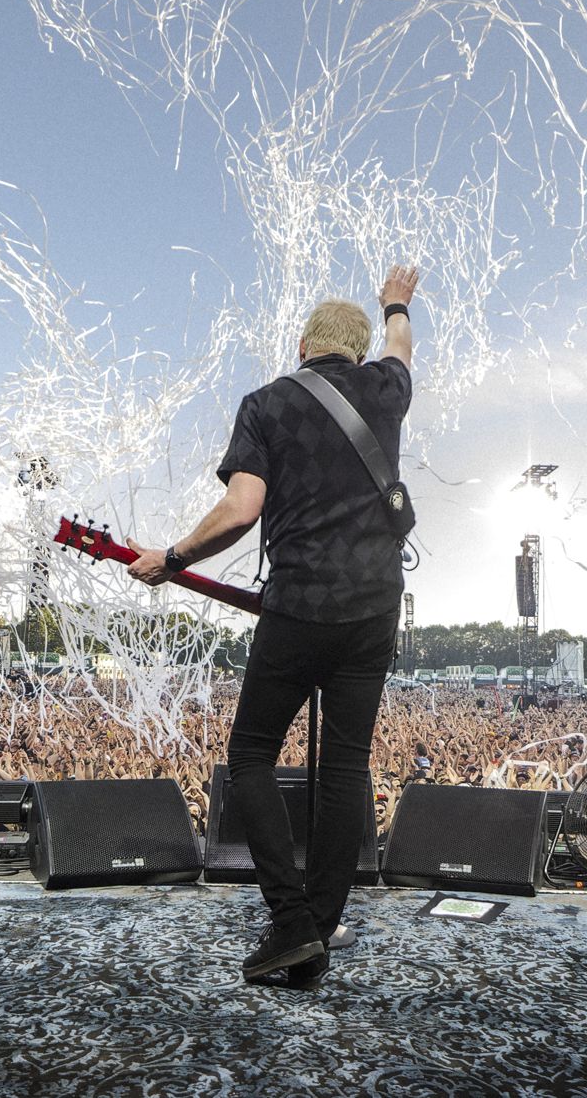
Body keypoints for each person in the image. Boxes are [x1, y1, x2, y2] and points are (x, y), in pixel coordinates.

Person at [128, 264, 418, 985]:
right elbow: (405, 347)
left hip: (299, 606)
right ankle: (317, 929)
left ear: (300, 345)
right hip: (377, 607)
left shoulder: (266, 403)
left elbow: (240, 510)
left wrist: (173, 556)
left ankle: (290, 922)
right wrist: (396, 304)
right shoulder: (385, 390)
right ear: (358, 351)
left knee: (252, 752)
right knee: (345, 766)